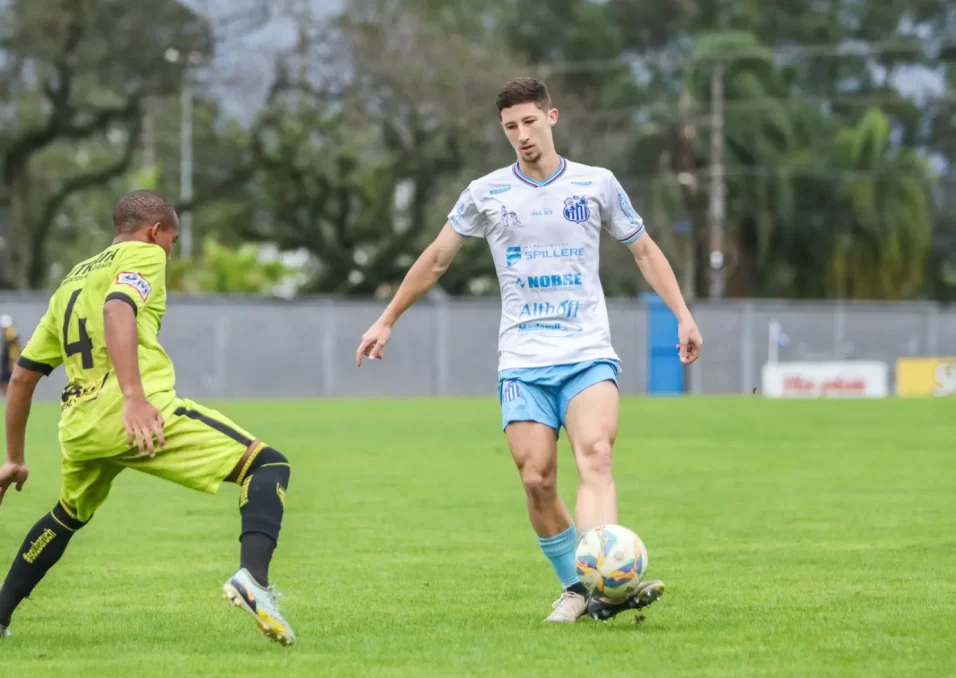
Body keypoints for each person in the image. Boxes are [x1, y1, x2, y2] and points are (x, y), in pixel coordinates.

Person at [356, 78, 703, 623]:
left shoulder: (597, 184)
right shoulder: (486, 193)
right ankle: (578, 587)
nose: (522, 135)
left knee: (596, 455)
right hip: (522, 359)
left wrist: (683, 315)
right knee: (537, 477)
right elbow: (437, 259)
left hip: (587, 351)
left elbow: (644, 250)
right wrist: (387, 318)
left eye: (530, 122)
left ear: (552, 118)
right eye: (511, 127)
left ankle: (610, 583)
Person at [0, 191, 295, 645]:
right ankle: (253, 579)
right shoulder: (144, 255)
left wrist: (14, 458)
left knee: (67, 513)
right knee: (268, 465)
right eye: (173, 241)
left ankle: (0, 615)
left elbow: (22, 377)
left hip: (80, 427)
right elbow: (119, 307)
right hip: (135, 414)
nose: (170, 251)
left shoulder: (70, 284)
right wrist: (134, 397)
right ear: (156, 231)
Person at [1, 314, 20, 398]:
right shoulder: (10, 333)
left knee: (7, 380)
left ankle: (10, 397)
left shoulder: (10, 333)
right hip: (8, 360)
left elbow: (13, 350)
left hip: (9, 361)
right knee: (4, 380)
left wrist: (12, 362)